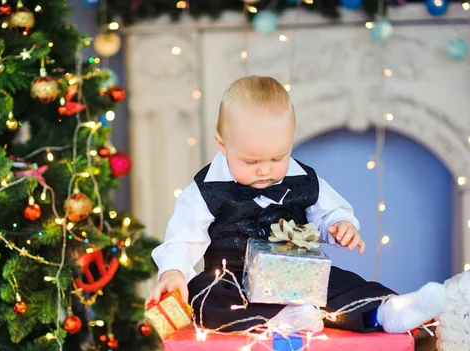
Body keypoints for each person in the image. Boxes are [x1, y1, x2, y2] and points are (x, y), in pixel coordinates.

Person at [146, 75, 446, 334]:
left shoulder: (303, 178)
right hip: (234, 279)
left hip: (297, 273)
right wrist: (173, 272)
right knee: (203, 296)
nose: (265, 170)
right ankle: (280, 318)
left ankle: (387, 311)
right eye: (251, 161)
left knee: (342, 283)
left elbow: (331, 210)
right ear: (223, 145)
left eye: (278, 158)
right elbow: (184, 238)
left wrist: (339, 226)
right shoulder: (204, 190)